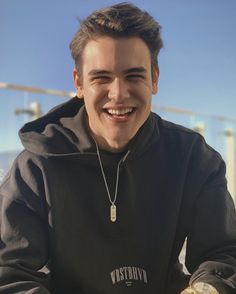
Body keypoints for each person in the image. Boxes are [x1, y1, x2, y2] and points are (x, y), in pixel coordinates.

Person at [0, 2, 236, 294]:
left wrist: (206, 289)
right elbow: (9, 272)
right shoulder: (35, 166)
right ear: (79, 84)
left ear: (155, 79)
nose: (118, 94)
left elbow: (225, 253)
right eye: (101, 77)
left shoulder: (193, 157)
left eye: (134, 75)